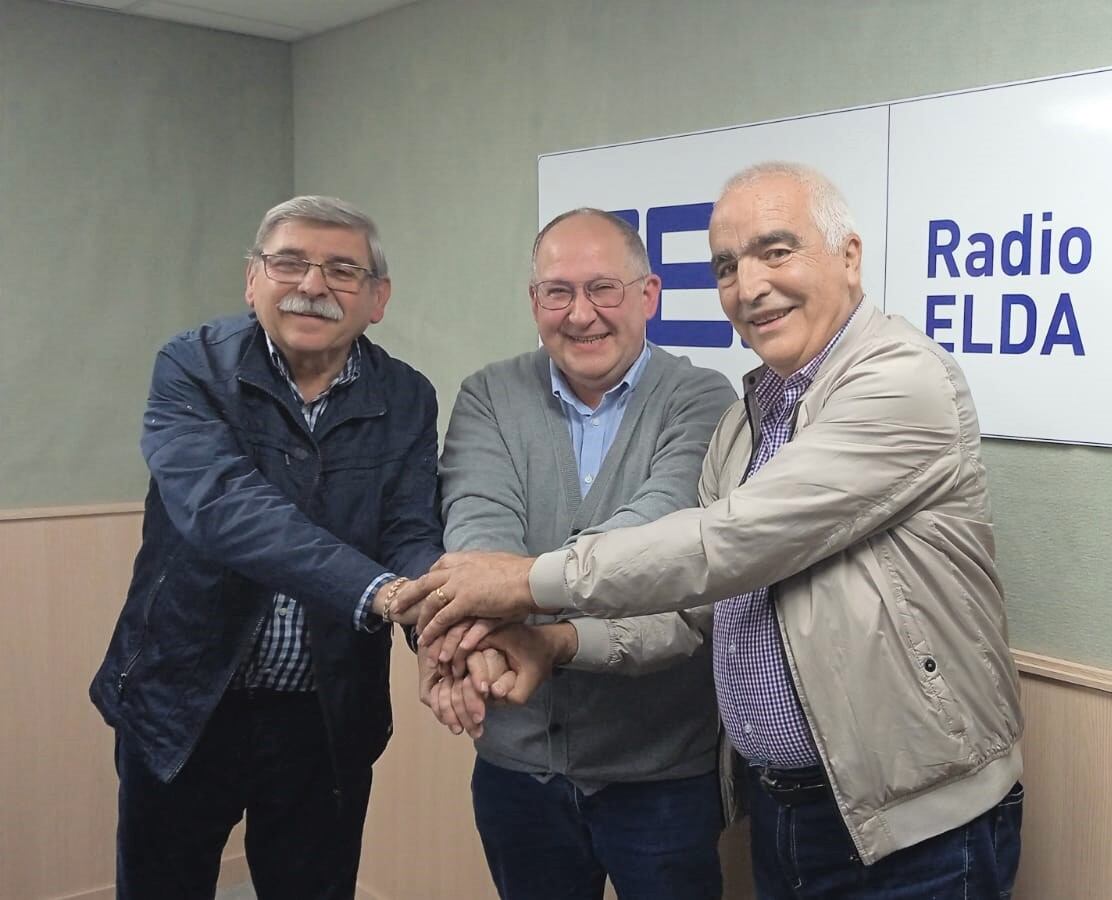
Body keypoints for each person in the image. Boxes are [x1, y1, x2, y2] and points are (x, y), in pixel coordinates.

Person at [405, 162, 1025, 897]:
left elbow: (727, 542)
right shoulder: (747, 421)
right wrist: (554, 642)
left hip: (912, 824)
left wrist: (521, 582)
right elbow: (691, 615)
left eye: (776, 251)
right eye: (728, 266)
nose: (750, 285)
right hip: (782, 809)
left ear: (850, 257)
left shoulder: (900, 379)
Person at [89, 196, 443, 900]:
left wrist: (442, 617)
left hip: (324, 716)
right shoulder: (191, 367)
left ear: (378, 299)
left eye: (343, 270)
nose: (312, 285)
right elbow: (225, 511)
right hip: (183, 705)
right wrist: (382, 594)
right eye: (289, 262)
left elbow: (410, 529)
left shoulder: (406, 395)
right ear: (253, 280)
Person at [420, 208, 735, 899]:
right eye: (558, 292)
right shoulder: (491, 395)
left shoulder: (704, 401)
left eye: (604, 289)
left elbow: (652, 540)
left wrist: (512, 605)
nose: (581, 313)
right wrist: (481, 636)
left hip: (660, 772)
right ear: (535, 302)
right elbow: (478, 528)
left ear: (649, 295)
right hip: (517, 765)